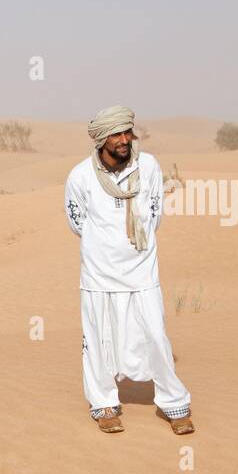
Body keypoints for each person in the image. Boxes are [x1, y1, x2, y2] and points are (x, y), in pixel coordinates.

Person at [64, 105, 193, 435]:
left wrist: (133, 243)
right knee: (98, 340)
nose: (125, 140)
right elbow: (77, 221)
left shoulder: (148, 166)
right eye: (117, 134)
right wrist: (104, 244)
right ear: (101, 139)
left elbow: (155, 213)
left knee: (155, 336)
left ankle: (173, 404)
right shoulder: (80, 175)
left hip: (141, 271)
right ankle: (104, 404)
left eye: (128, 132)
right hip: (98, 274)